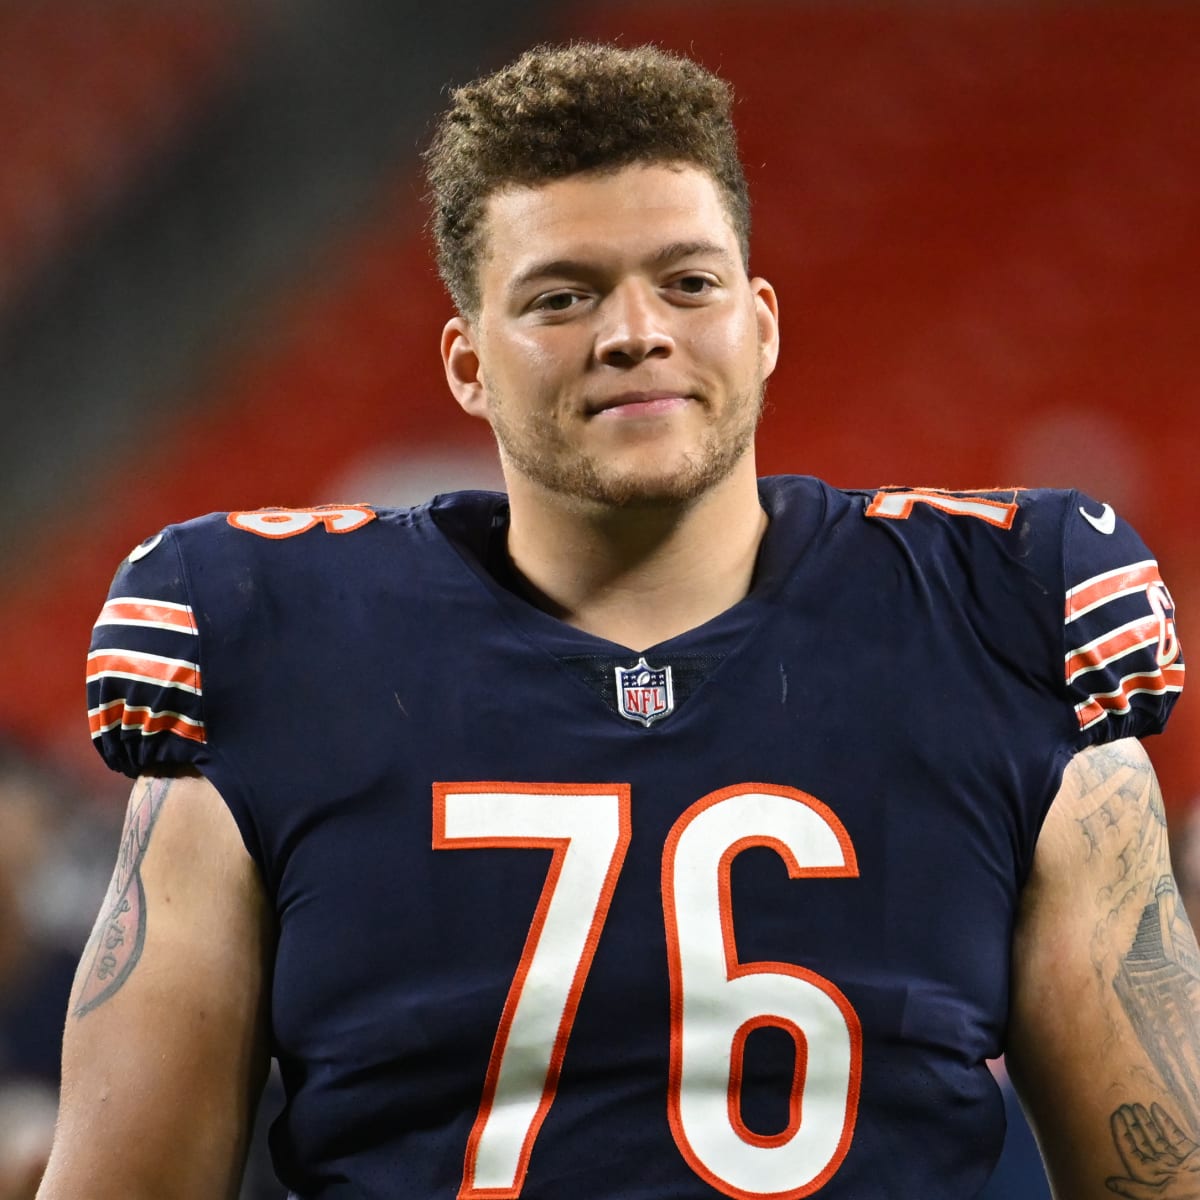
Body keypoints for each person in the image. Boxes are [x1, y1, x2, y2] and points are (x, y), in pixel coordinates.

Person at [36, 42, 1195, 1200]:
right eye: (561, 296)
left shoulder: (998, 617)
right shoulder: (271, 647)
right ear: (466, 363)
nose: (635, 331)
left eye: (687, 283)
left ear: (762, 322)